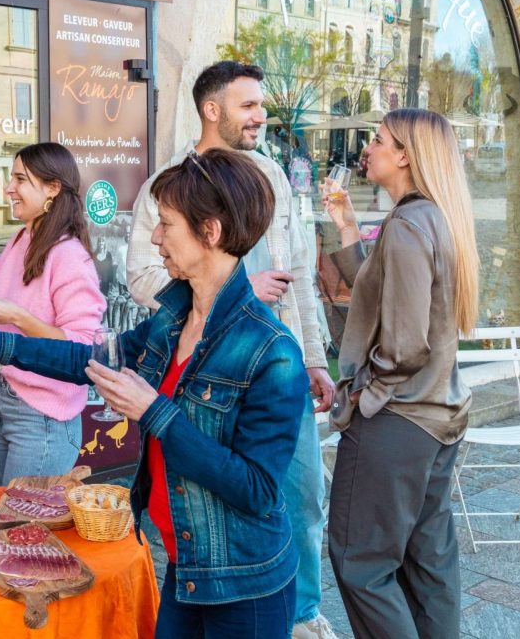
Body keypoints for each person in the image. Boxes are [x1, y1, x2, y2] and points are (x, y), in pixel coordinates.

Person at [0, 149, 307, 637]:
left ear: (210, 232)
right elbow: (92, 360)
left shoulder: (272, 352)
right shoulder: (172, 320)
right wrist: (2, 344)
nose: (155, 237)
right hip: (184, 565)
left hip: (243, 586)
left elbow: (258, 489)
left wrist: (156, 413)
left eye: (166, 224)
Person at [126, 61, 337, 639]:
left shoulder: (272, 175)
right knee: (224, 497)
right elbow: (142, 274)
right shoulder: (169, 185)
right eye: (249, 105)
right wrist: (219, 293)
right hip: (211, 374)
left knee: (300, 498)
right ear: (211, 110)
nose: (261, 116)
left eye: (261, 106)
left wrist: (314, 357)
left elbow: (299, 276)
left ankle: (301, 618)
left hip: (278, 366)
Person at [322, 109, 479, 639]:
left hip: (398, 420)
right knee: (427, 562)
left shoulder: (411, 222)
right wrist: (345, 228)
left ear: (406, 154)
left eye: (379, 140)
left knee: (359, 562)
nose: (368, 147)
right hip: (435, 418)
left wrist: (367, 395)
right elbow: (380, 294)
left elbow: (406, 342)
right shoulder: (430, 217)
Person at [0, 143, 105, 484]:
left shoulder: (69, 255)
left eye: (20, 179)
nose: (9, 188)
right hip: (1, 399)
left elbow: (81, 349)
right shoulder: (19, 241)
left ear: (52, 189)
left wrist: (18, 317)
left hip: (43, 416)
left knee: (22, 528)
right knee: (2, 523)